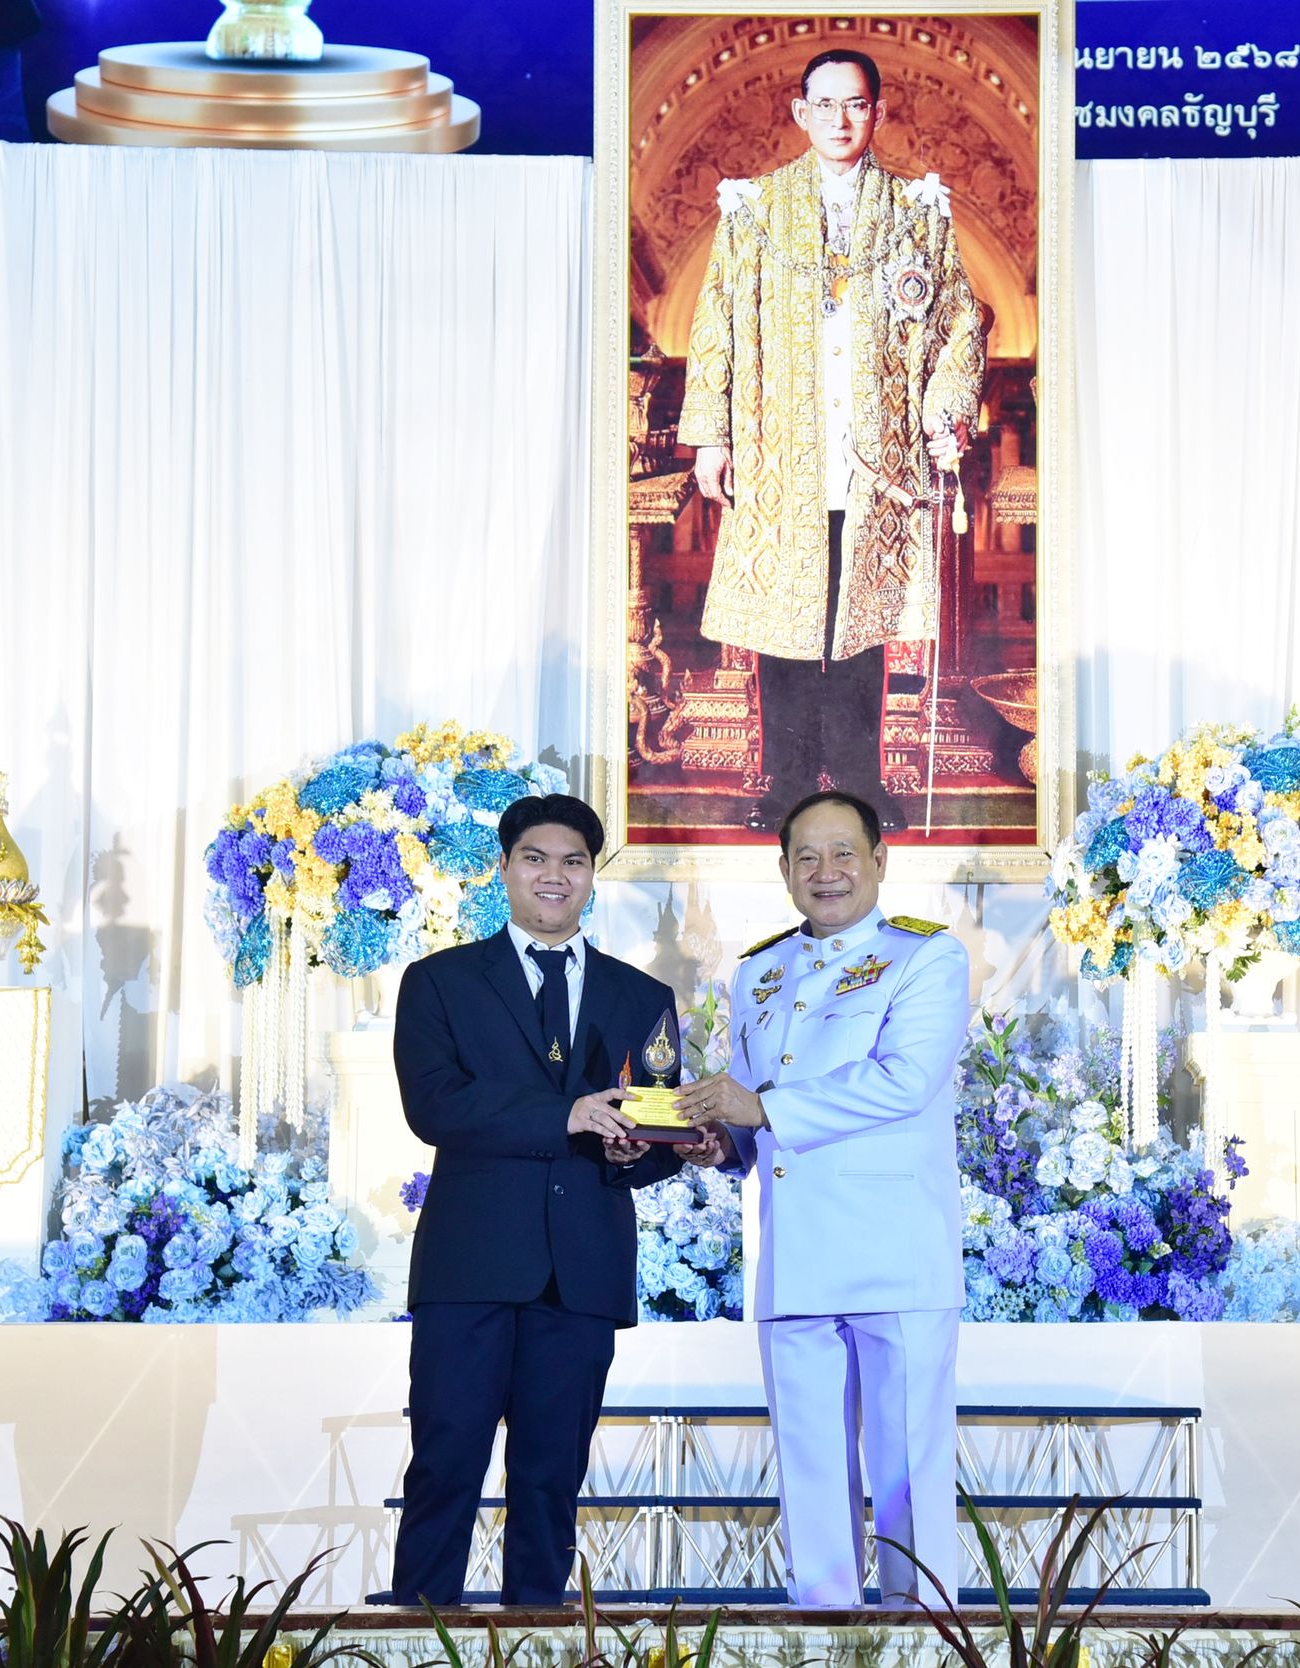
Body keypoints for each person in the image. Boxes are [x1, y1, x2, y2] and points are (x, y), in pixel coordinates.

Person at [387, 793, 714, 1605]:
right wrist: (565, 1115)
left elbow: (653, 1133)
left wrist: (640, 1152)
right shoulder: (439, 982)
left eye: (573, 862)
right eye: (535, 858)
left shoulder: (641, 996)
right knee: (445, 1461)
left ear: (592, 876)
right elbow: (434, 1105)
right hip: (470, 1265)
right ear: (504, 868)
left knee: (551, 1475)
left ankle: (537, 1635)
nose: (553, 876)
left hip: (582, 1270)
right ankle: (417, 1638)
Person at [672, 788, 972, 1606]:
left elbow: (904, 1080)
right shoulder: (759, 971)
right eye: (807, 856)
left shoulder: (926, 958)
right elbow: (749, 1107)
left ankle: (923, 1636)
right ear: (783, 870)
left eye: (844, 853)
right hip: (794, 1253)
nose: (826, 871)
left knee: (908, 1469)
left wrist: (760, 1110)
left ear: (880, 860)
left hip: (894, 1250)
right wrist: (718, 1143)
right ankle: (824, 1629)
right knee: (807, 1466)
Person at [679, 47, 987, 834]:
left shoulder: (917, 210)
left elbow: (957, 322)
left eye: (855, 104)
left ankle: (859, 783)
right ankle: (784, 784)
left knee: (860, 625)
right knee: (787, 623)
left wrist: (945, 411)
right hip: (780, 449)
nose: (840, 119)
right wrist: (711, 435)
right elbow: (715, 323)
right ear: (800, 112)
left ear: (876, 112)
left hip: (877, 455)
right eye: (825, 104)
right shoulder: (754, 208)